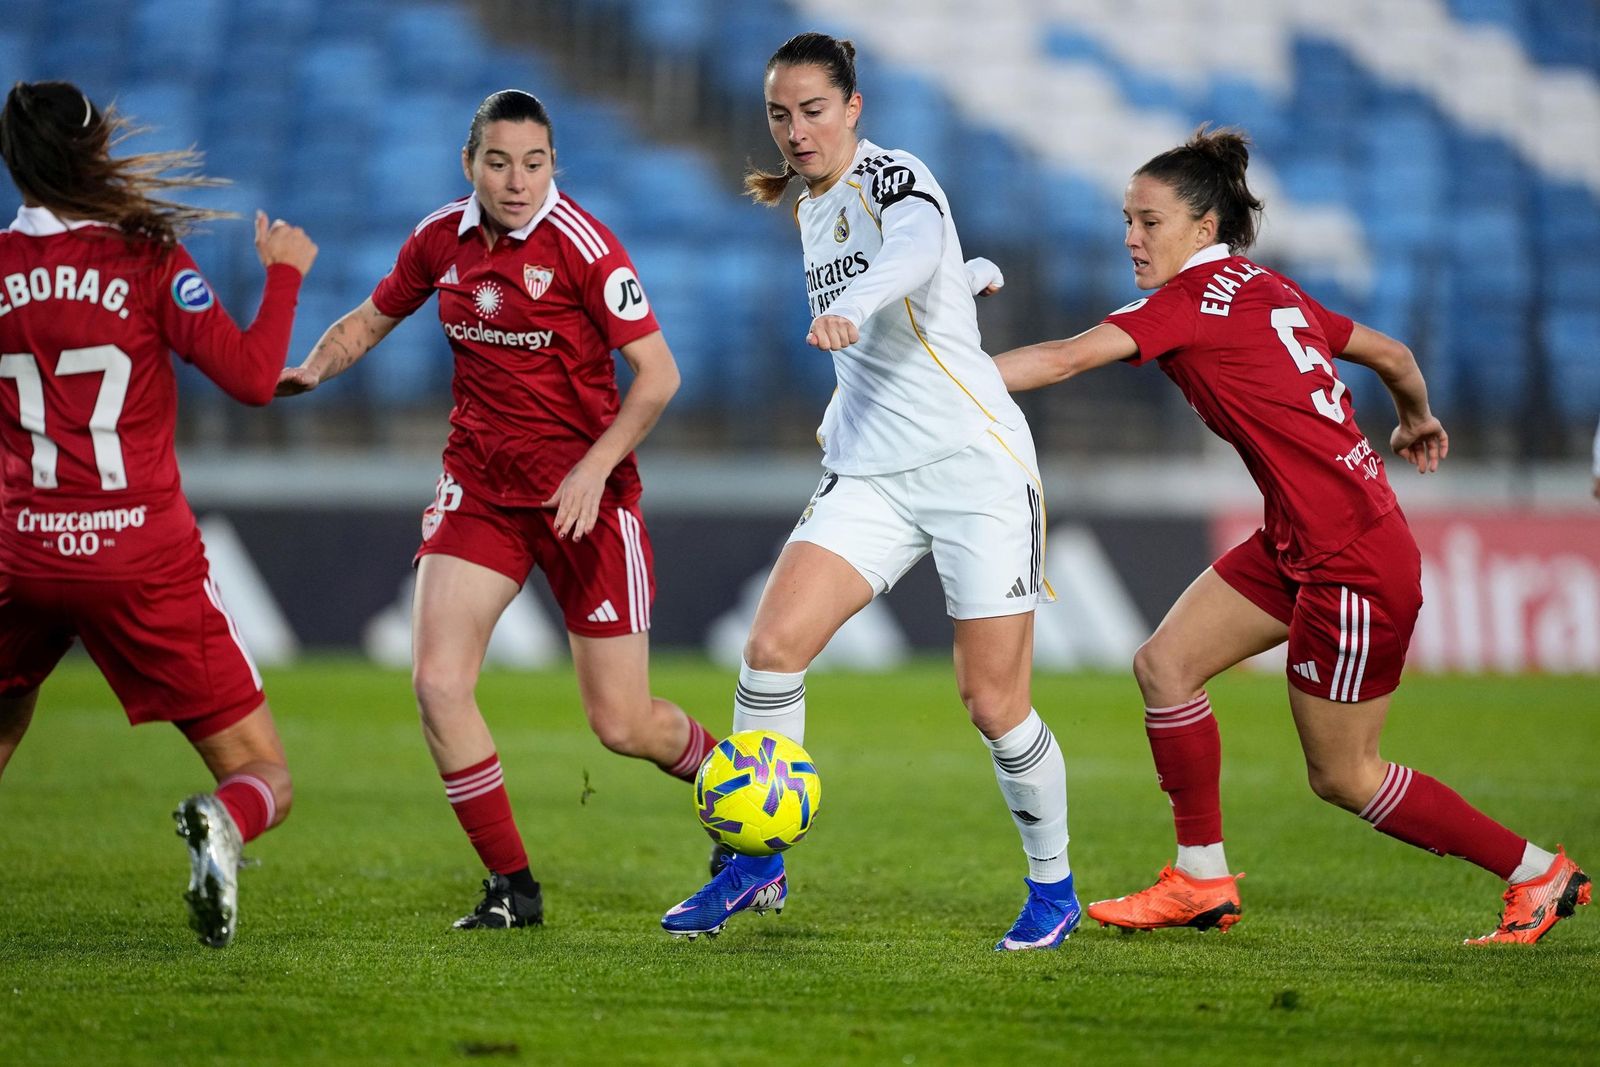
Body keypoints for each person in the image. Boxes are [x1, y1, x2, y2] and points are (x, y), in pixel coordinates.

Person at [992, 126, 1590, 945]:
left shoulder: (1180, 305)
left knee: (1343, 774)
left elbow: (1061, 360)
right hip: (1300, 539)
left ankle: (1537, 874)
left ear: (1204, 229)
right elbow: (1394, 352)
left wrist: (935, 380)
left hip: (1350, 560)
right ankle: (1201, 877)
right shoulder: (1269, 288)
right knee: (1165, 665)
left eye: (1149, 221)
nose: (1130, 237)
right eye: (1125, 219)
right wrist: (1416, 418)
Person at [659, 32, 1077, 952]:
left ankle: (1054, 885)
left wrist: (868, 299)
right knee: (770, 648)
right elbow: (928, 285)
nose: (796, 130)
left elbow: (915, 246)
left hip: (976, 469)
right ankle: (753, 860)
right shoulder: (812, 206)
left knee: (993, 703)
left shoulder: (896, 174)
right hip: (874, 474)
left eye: (813, 110)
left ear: (854, 107)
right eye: (779, 114)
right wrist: (962, 284)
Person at [275, 89, 719, 930]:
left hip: (586, 498)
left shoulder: (587, 248)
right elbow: (371, 319)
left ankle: (735, 786)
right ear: (469, 165)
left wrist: (593, 467)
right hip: (481, 487)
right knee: (439, 683)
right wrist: (311, 367)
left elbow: (660, 376)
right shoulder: (439, 238)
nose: (517, 181)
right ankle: (512, 886)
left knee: (621, 724)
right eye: (499, 161)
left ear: (555, 165)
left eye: (535, 162)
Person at [0, 81, 317, 948]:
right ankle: (221, 822)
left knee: (7, 714)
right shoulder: (144, 258)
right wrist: (285, 273)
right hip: (140, 557)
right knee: (264, 774)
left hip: (21, 554)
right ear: (94, 149)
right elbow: (254, 378)